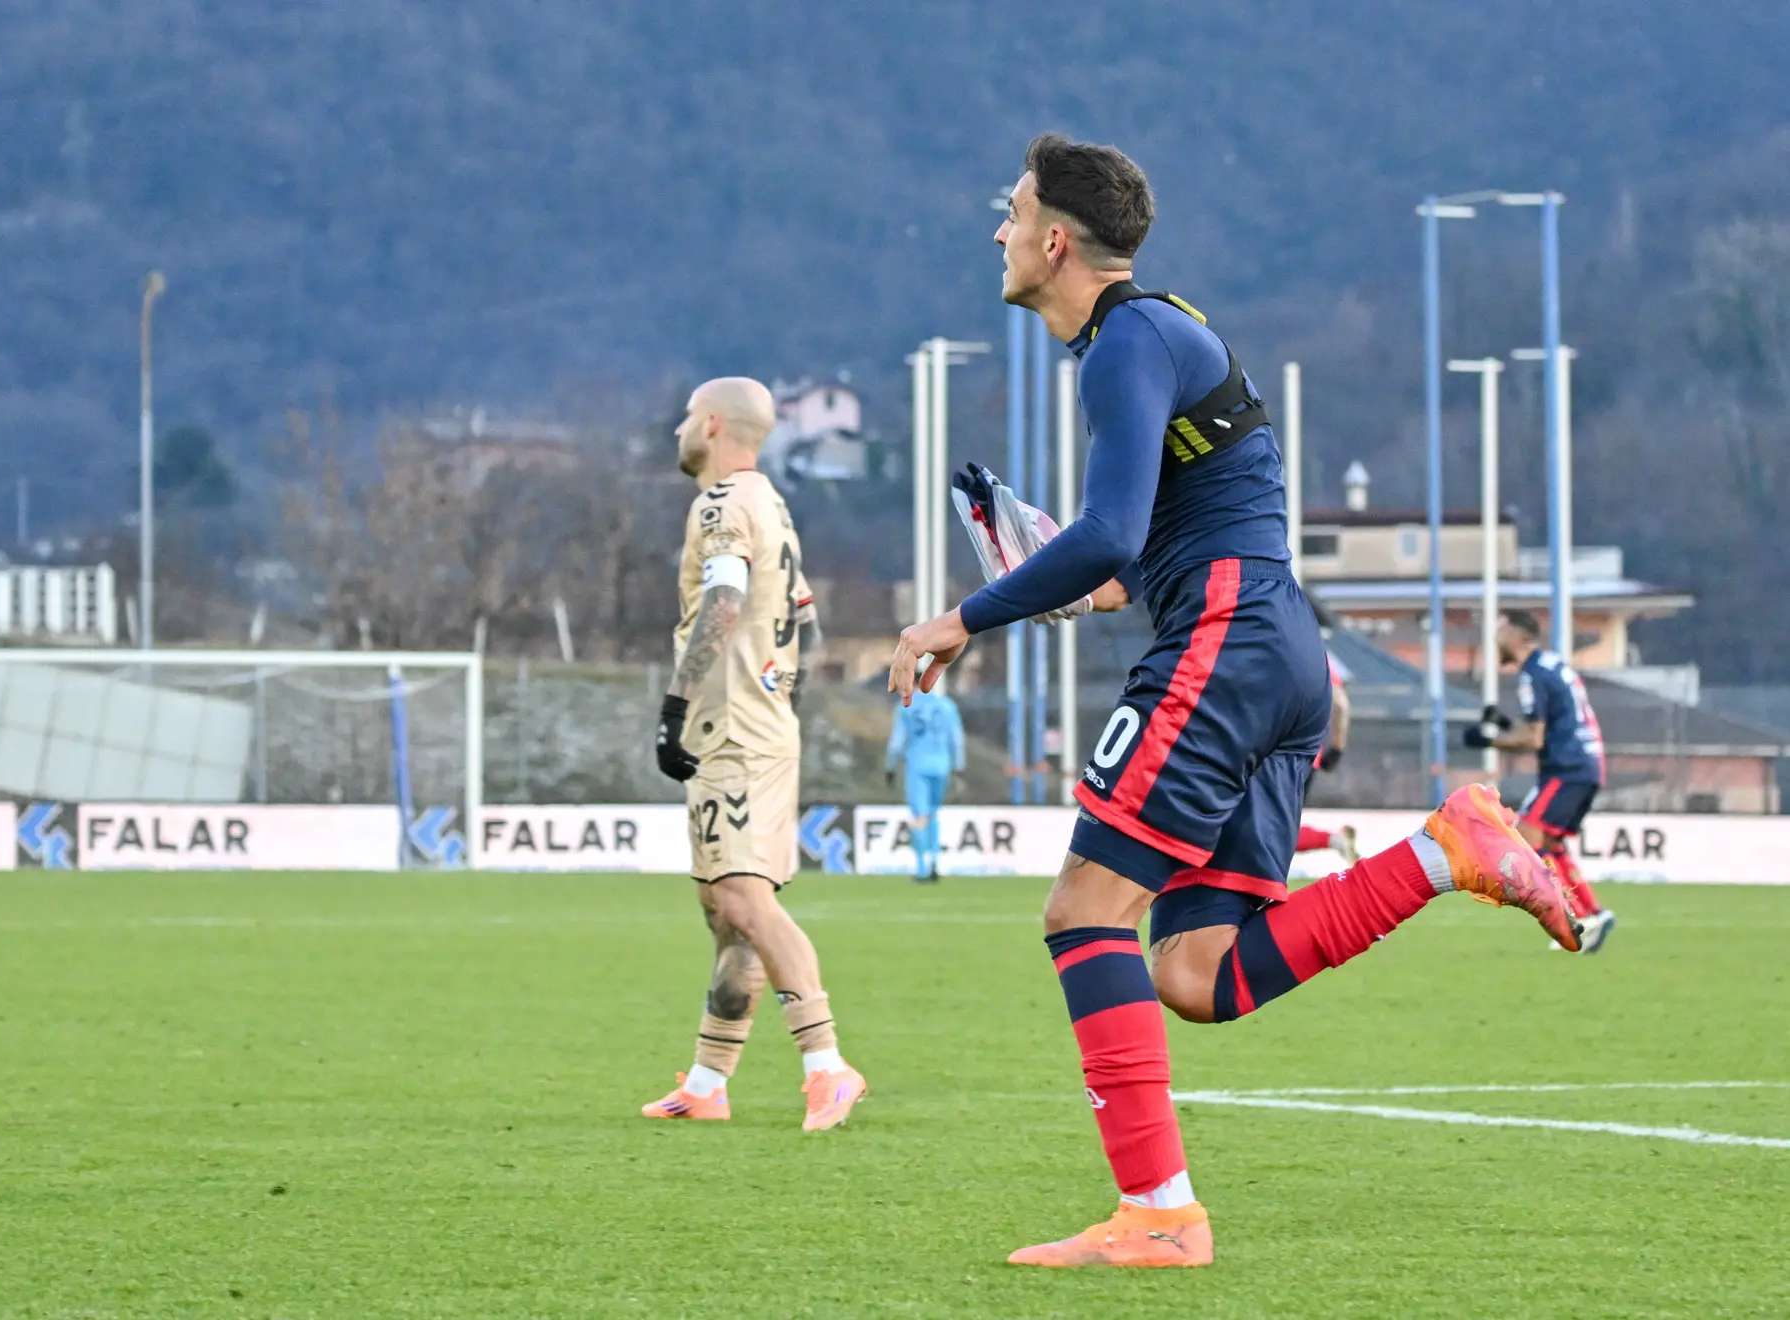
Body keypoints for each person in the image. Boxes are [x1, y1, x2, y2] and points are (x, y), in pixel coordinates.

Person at [888, 134, 1576, 1268]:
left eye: (1009, 212)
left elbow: (1116, 535)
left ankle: (1159, 1216)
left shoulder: (1124, 343)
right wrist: (1076, 581)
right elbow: (1127, 556)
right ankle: (1447, 851)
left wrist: (966, 616)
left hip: (1224, 639)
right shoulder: (1155, 337)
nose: (996, 231)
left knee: (1082, 915)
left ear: (1056, 238)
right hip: (1273, 651)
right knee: (1193, 975)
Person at [643, 376, 868, 1132]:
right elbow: (801, 610)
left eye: (684, 418)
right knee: (725, 911)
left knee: (743, 899)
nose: (677, 430)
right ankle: (709, 1080)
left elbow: (727, 599)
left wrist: (678, 703)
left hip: (731, 726)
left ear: (710, 425)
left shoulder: (721, 503)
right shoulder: (772, 502)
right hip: (761, 721)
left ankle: (828, 1065)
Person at [1464, 609, 1616, 952]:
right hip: (1586, 765)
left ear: (1518, 636)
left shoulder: (1532, 674)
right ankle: (1593, 912)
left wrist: (1487, 741)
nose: (1495, 638)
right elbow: (1551, 726)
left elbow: (1534, 738)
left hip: (1566, 768)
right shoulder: (1551, 665)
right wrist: (1504, 725)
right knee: (1550, 845)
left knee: (1526, 843)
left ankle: (1577, 920)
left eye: (1500, 630)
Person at [884, 686, 967, 881]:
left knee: (919, 815)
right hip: (942, 765)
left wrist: (890, 767)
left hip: (918, 765)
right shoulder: (947, 706)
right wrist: (959, 767)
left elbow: (897, 742)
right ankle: (935, 861)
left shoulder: (906, 706)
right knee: (933, 813)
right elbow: (956, 740)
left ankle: (922, 867)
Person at [1293, 652, 1359, 862]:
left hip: (1268, 755)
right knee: (1281, 824)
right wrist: (1337, 748)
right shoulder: (1317, 654)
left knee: (1268, 825)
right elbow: (1340, 704)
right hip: (1307, 757)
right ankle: (1332, 839)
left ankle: (1331, 839)